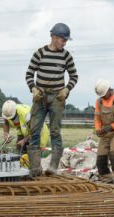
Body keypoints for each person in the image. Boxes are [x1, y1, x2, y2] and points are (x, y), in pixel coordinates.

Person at [26, 23, 78, 177]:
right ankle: (35, 168)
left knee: (55, 132)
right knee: (34, 131)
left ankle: (53, 167)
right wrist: (33, 89)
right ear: (54, 37)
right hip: (40, 97)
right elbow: (29, 74)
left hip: (57, 97)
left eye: (66, 40)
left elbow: (74, 76)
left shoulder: (66, 56)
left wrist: (66, 89)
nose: (65, 42)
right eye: (63, 39)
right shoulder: (39, 53)